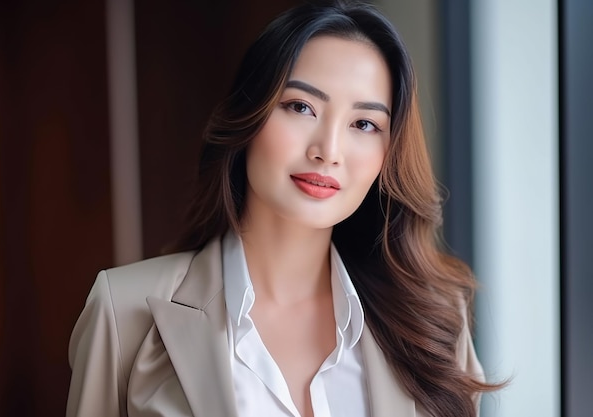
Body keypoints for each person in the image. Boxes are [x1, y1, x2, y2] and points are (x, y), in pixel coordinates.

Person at [66, 1, 501, 416]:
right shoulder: (124, 312)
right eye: (301, 107)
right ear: (249, 116)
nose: (328, 151)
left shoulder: (435, 321)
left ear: (389, 153)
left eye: (364, 124)